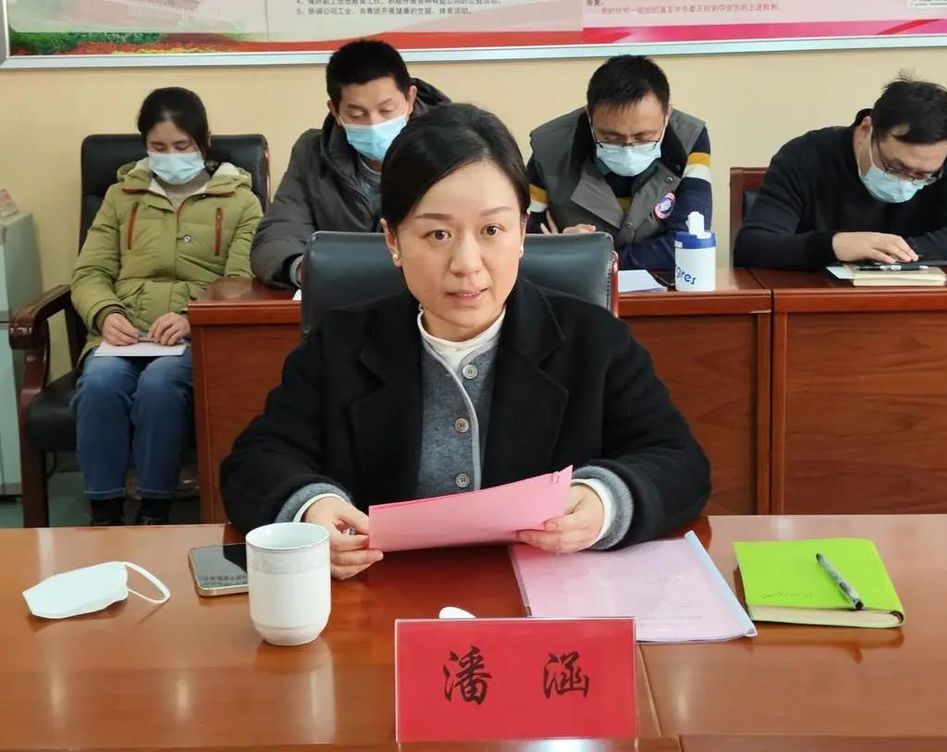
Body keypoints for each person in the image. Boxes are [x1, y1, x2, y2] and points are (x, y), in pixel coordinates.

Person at [222, 103, 710, 579]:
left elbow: (679, 461)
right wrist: (311, 507)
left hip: (543, 601)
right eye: (437, 235)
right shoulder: (342, 344)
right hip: (384, 602)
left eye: (492, 229)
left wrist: (604, 500)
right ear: (393, 241)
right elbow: (256, 461)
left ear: (522, 232)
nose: (467, 263)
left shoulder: (593, 340)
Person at [71, 87, 261, 526]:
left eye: (181, 146)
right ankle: (104, 510)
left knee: (160, 385)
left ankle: (154, 508)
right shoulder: (121, 196)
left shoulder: (240, 202)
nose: (170, 157)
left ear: (204, 142)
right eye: (158, 147)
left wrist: (193, 318)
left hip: (194, 337)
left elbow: (240, 282)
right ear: (144, 146)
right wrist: (106, 314)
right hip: (123, 332)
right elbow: (90, 272)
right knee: (99, 382)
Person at [733, 76, 947, 269]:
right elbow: (752, 247)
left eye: (922, 176)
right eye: (896, 167)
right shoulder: (805, 155)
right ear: (865, 131)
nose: (906, 182)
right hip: (819, 307)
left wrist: (884, 251)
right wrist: (834, 245)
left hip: (917, 305)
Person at [251, 38, 449, 288]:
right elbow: (276, 237)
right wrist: (306, 270)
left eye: (386, 110)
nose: (374, 124)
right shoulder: (312, 154)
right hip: (343, 297)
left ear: (410, 99)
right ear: (335, 111)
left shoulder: (455, 149)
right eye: (357, 114)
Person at [525, 55, 711, 271]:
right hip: (574, 284)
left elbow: (687, 243)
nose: (628, 147)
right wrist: (559, 250)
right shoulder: (549, 148)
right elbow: (525, 246)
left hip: (663, 283)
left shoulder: (690, 138)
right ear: (589, 117)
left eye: (643, 137)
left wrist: (585, 256)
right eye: (611, 137)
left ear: (667, 115)